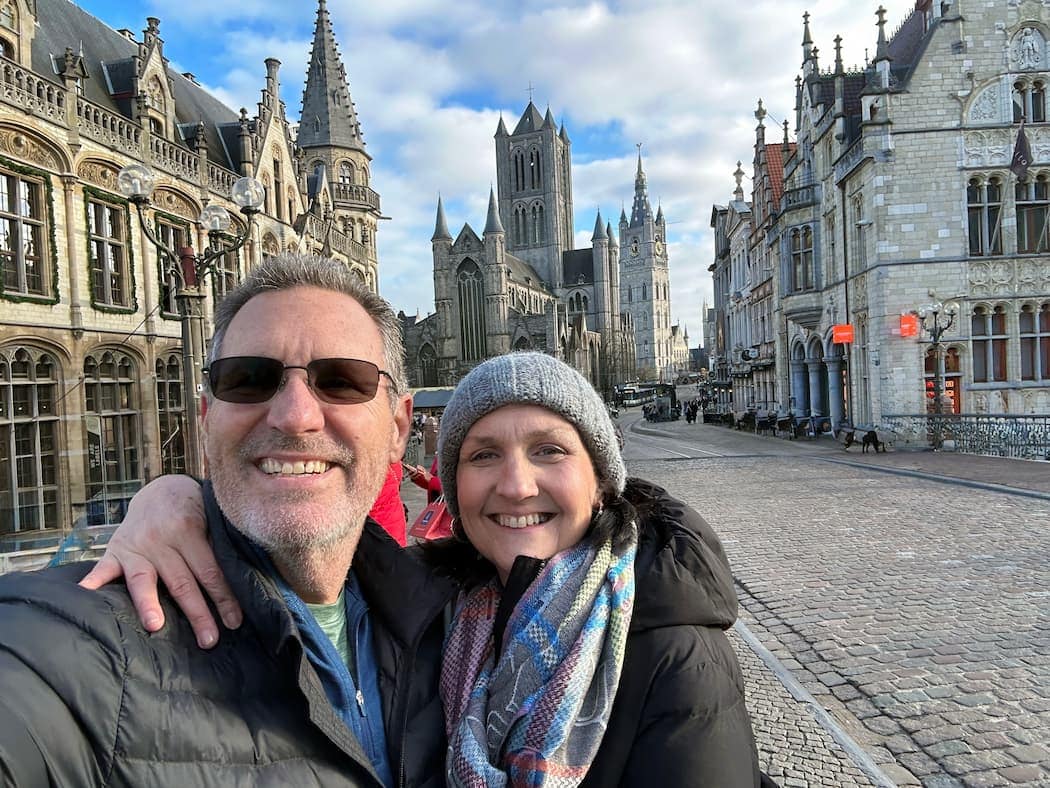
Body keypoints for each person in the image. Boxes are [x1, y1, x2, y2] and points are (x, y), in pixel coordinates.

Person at [82, 352, 764, 786]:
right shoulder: (429, 604)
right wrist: (176, 500)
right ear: (452, 488)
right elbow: (300, 564)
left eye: (550, 451)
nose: (516, 485)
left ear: (602, 481)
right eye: (483, 455)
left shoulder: (675, 651)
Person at [0, 253, 457, 786]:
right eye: (248, 379)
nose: (295, 416)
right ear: (206, 420)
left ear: (398, 429)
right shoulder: (78, 645)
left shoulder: (454, 616)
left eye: (342, 380)